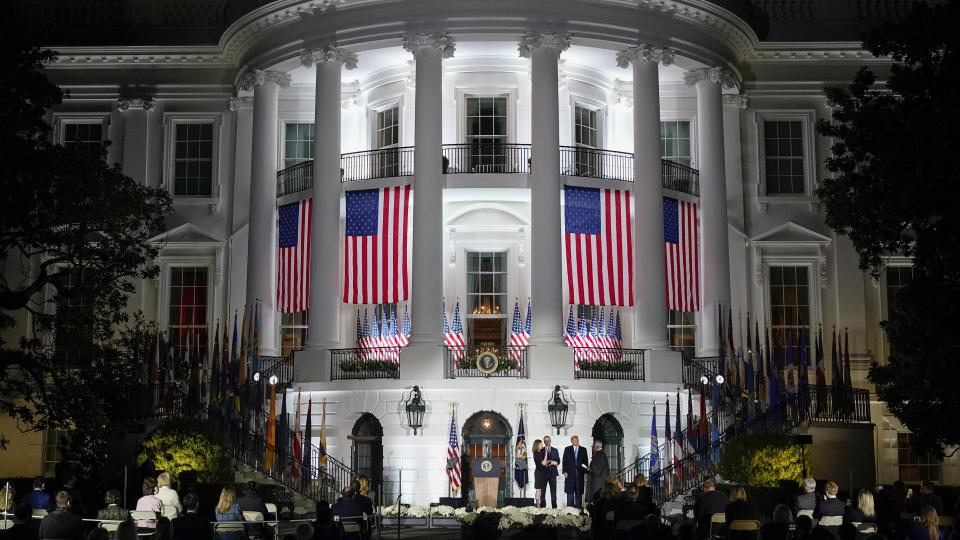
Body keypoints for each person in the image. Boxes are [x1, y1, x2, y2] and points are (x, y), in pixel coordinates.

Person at [562, 435, 588, 509]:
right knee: (570, 492)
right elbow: (564, 461)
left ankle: (579, 508)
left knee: (578, 492)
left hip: (580, 474)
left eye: (577, 440)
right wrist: (564, 471)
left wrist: (585, 472)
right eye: (575, 440)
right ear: (572, 441)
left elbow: (585, 462)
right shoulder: (567, 449)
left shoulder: (583, 449)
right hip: (569, 474)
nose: (577, 442)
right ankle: (570, 509)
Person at [538, 435, 560, 509]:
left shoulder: (555, 450)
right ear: (544, 442)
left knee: (553, 491)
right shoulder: (541, 450)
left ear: (550, 441)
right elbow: (540, 462)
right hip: (543, 473)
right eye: (545, 441)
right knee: (543, 491)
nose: (547, 442)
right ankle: (543, 506)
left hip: (553, 473)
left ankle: (554, 507)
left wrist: (553, 462)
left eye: (548, 440)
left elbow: (558, 461)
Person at [531, 439, 545, 508]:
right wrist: (546, 456)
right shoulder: (536, 453)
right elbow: (543, 463)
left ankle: (537, 504)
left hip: (541, 472)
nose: (542, 445)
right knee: (538, 489)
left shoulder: (539, 452)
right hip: (538, 472)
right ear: (537, 445)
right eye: (541, 444)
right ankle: (538, 505)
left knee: (539, 489)